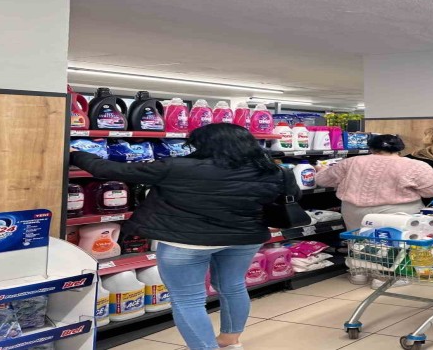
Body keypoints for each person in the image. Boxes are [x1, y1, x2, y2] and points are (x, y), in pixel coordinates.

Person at [70, 123, 295, 350]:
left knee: (188, 299)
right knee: (233, 286)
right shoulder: (272, 171)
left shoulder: (177, 167)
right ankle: (231, 341)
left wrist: (75, 154)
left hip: (186, 242)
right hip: (245, 238)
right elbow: (292, 196)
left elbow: (111, 170)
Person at [315, 134, 433, 287]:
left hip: (354, 210)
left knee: (358, 240)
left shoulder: (351, 162)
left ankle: (359, 273)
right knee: (394, 243)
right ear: (400, 148)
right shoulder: (415, 165)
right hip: (396, 211)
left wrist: (321, 170)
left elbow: (322, 180)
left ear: (371, 148)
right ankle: (386, 277)